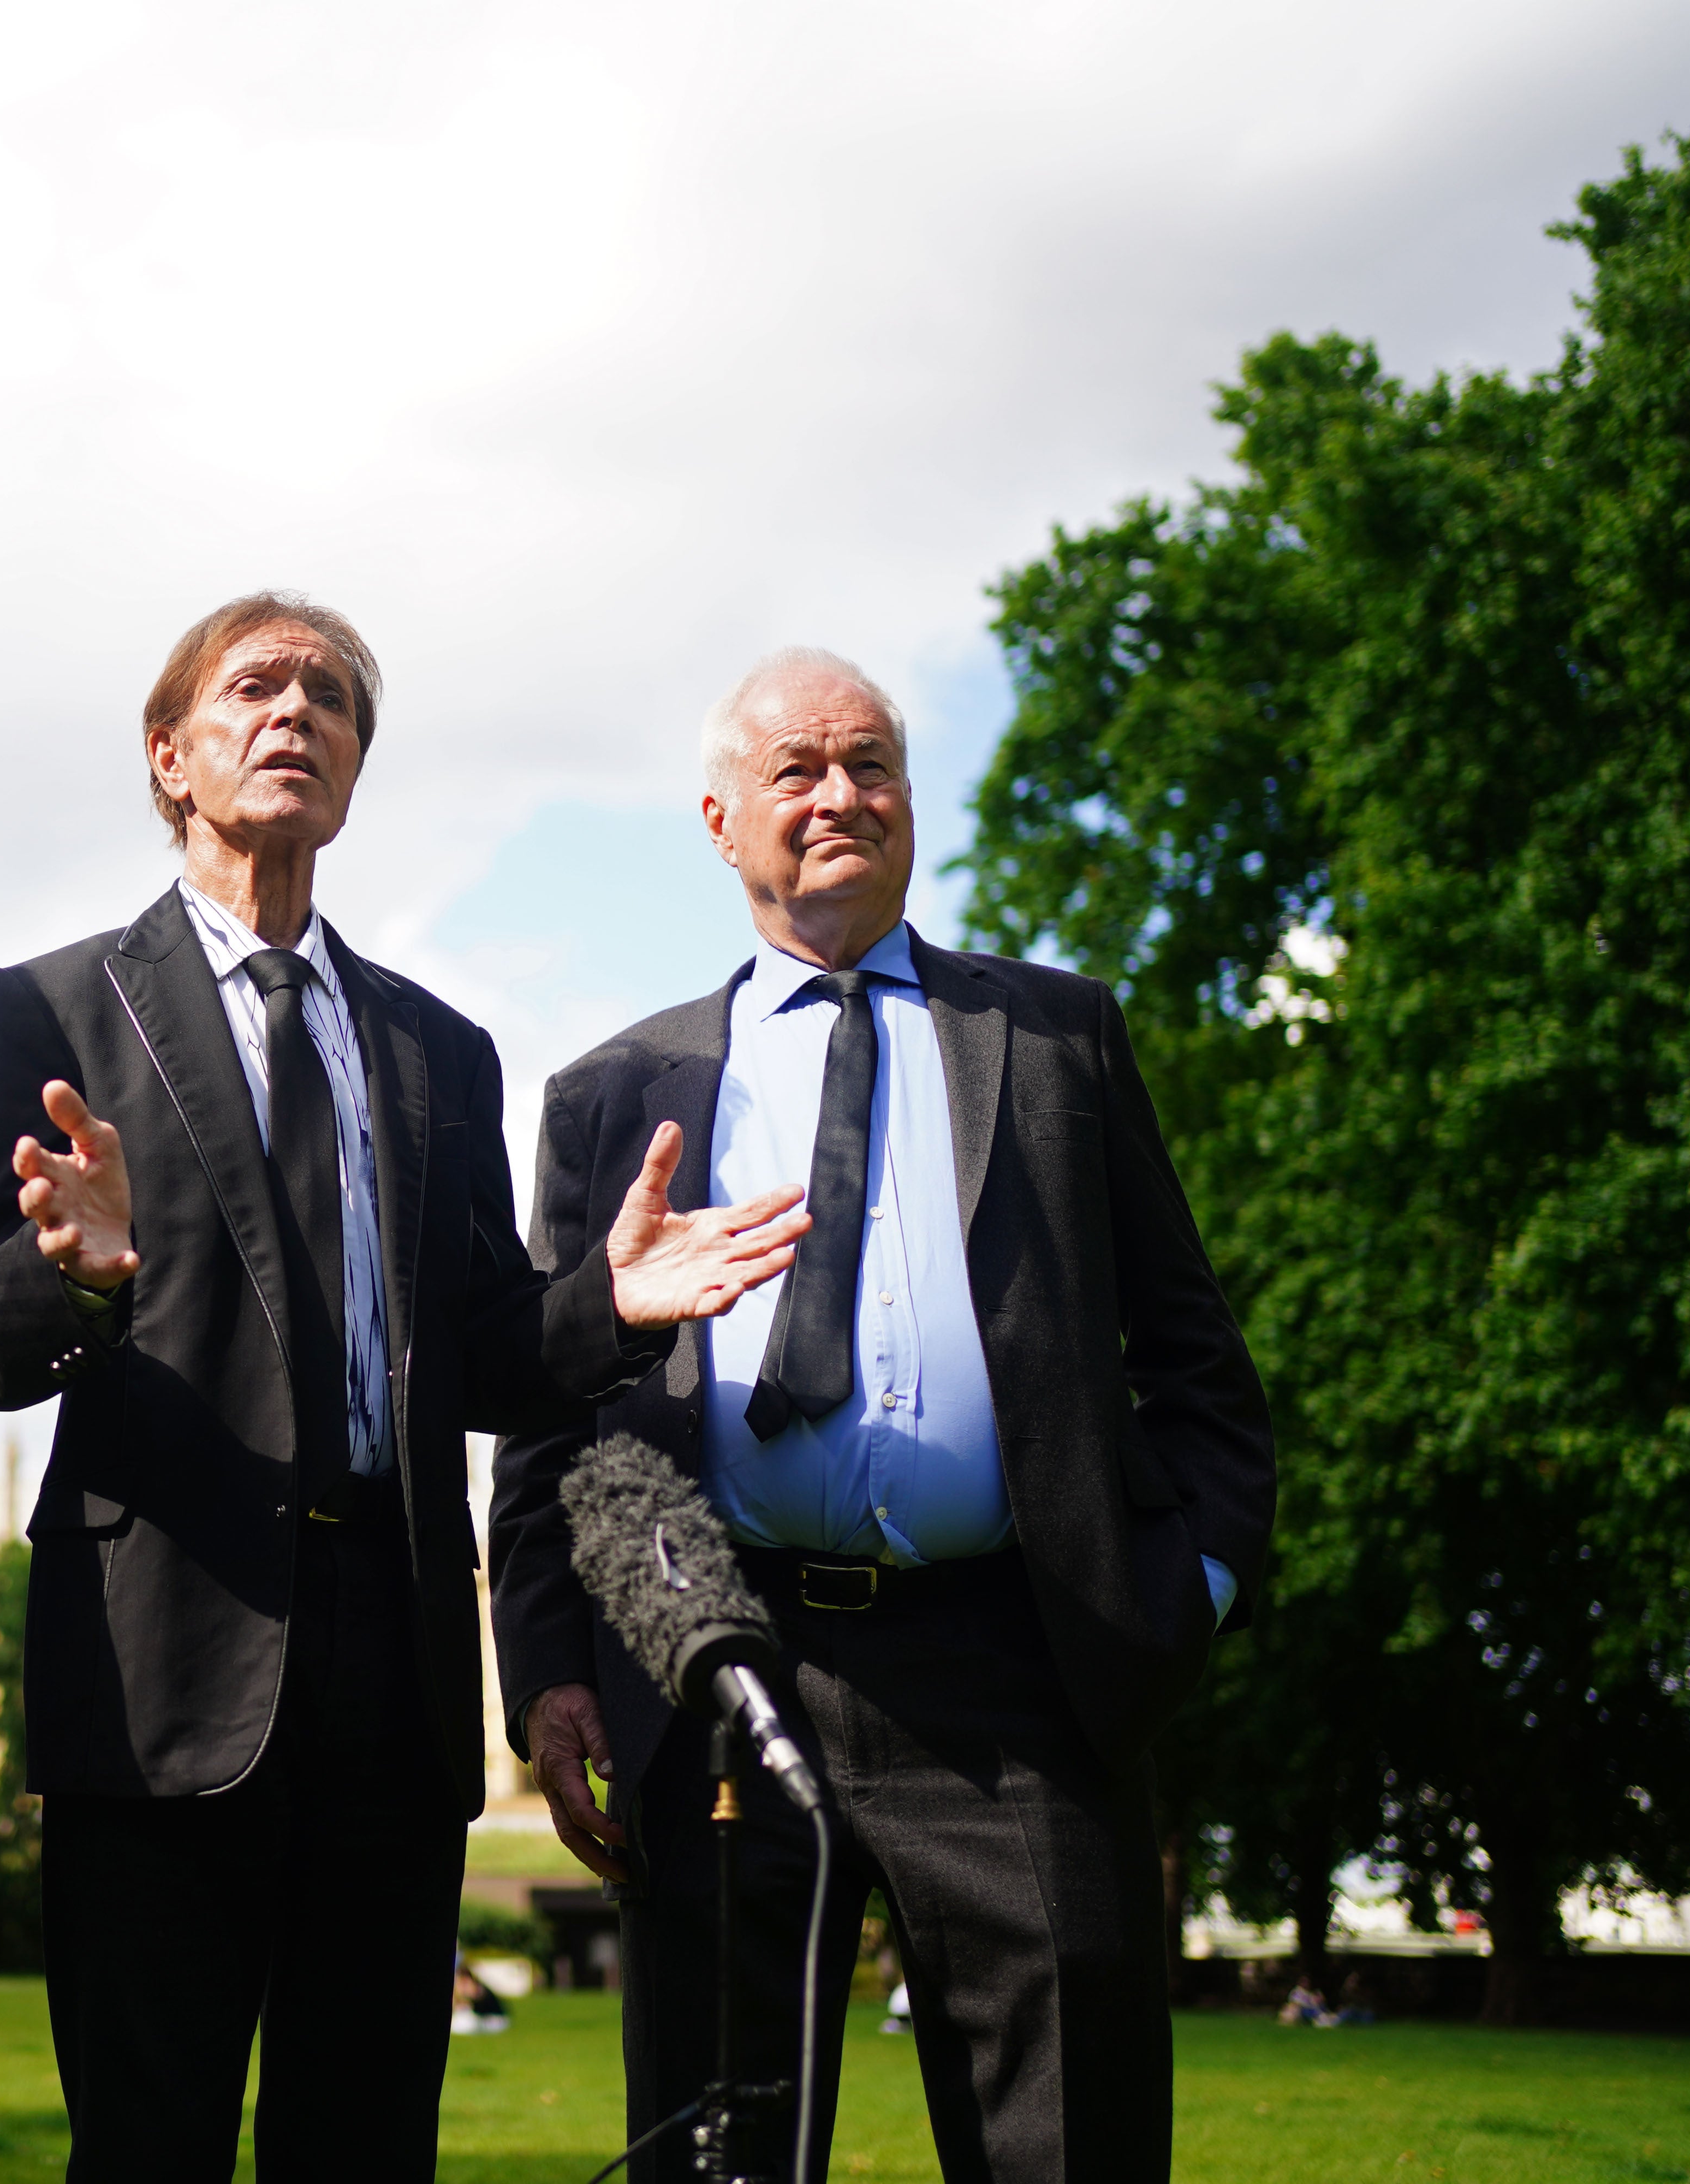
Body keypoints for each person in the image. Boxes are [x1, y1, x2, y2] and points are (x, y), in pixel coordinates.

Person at [0, 591, 810, 2182]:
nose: (295, 712)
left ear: (352, 771)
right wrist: (77, 1273)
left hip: (393, 1686)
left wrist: (602, 1308)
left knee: (364, 2150)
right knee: (148, 2146)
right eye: (254, 686)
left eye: (330, 697)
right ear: (170, 755)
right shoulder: (50, 1006)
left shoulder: (433, 1050)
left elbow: (484, 1353)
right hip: (161, 1671)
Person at [488, 648, 1275, 2181]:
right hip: (721, 1674)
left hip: (1023, 1677)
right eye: (797, 769)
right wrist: (551, 1674)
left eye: (871, 766)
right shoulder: (615, 1088)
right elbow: (549, 1415)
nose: (840, 794)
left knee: (1076, 2148)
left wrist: (1186, 1596)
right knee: (724, 2151)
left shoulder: (1057, 1041)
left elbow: (1200, 1368)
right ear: (720, 819)